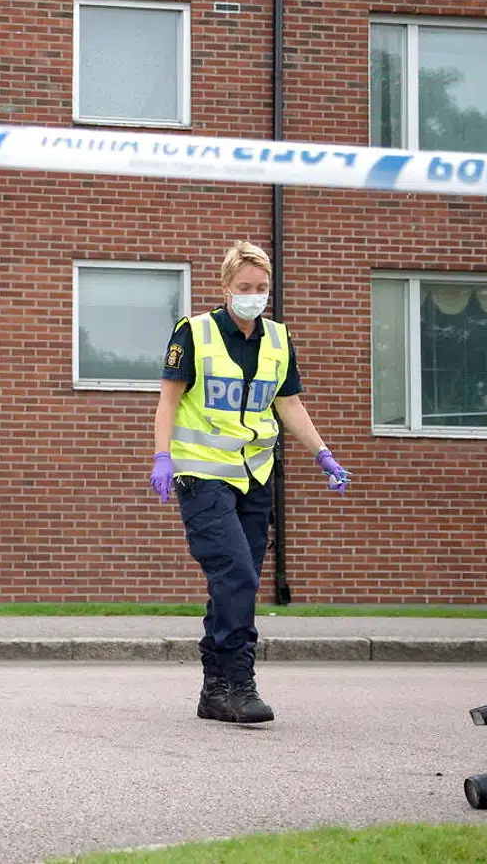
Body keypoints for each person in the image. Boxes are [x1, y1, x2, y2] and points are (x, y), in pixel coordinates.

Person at [150, 241, 350, 725]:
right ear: (225, 288)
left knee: (237, 581)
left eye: (262, 288)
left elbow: (289, 406)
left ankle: (214, 689)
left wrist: (322, 454)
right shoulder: (194, 333)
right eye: (244, 288)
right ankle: (239, 683)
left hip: (256, 475)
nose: (254, 296)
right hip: (202, 476)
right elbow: (169, 401)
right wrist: (162, 457)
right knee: (235, 572)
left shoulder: (278, 339)